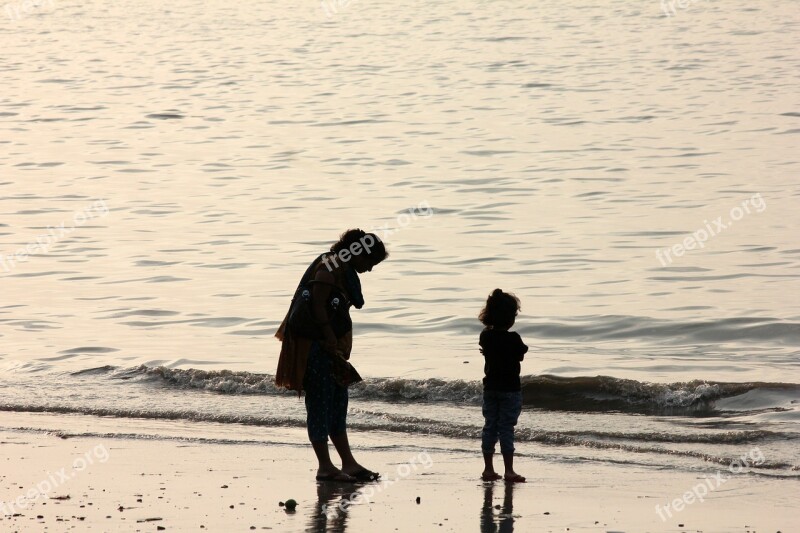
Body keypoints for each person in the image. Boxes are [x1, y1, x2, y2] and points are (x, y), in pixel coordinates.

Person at [275, 229, 388, 482]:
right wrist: (327, 335)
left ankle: (348, 462)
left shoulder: (340, 267)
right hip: (315, 347)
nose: (369, 269)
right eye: (369, 262)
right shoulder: (329, 266)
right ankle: (325, 466)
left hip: (330, 348)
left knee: (338, 402)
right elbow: (317, 303)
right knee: (319, 405)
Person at [478, 289, 528, 483]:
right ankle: (509, 470)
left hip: (490, 388)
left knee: (490, 426)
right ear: (509, 318)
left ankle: (488, 469)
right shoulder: (513, 338)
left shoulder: (486, 336)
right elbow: (521, 353)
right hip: (510, 390)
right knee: (506, 428)